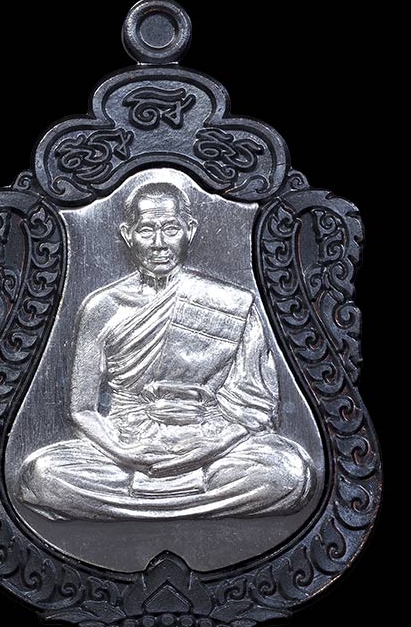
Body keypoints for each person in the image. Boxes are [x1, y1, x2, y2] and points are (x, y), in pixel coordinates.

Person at [18, 181, 315, 520]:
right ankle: (187, 505)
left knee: (288, 472)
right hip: (127, 443)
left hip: (212, 442)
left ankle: (136, 509)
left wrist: (208, 448)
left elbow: (254, 406)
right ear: (128, 234)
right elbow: (82, 410)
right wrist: (127, 454)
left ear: (189, 230)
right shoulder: (102, 307)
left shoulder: (231, 303)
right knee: (41, 474)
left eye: (170, 229)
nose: (159, 243)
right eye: (147, 230)